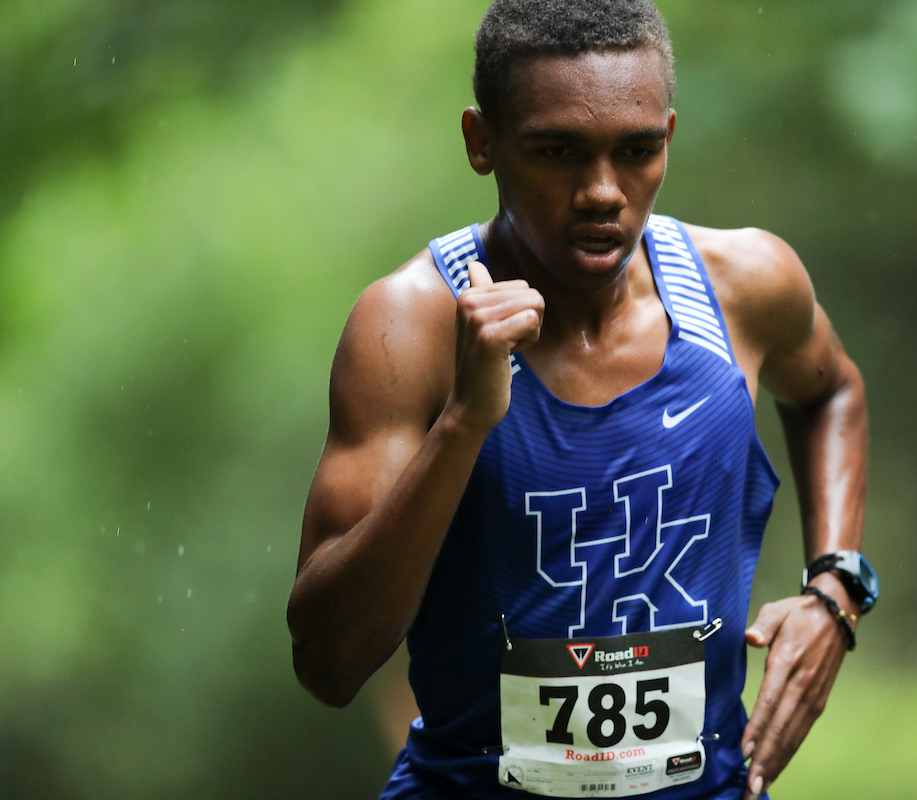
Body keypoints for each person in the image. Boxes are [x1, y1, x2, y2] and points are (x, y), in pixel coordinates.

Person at [286, 1, 874, 798]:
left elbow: (832, 389)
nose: (602, 192)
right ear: (481, 143)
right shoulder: (409, 327)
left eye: (636, 152)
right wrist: (463, 423)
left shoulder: (745, 285)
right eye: (557, 152)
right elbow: (329, 663)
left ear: (668, 136)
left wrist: (834, 586)